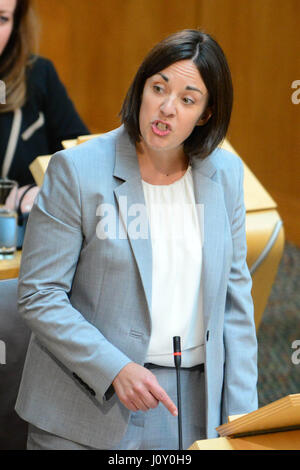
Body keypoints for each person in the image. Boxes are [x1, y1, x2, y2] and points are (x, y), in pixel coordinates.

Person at [15, 29, 258, 450]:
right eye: (158, 88)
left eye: (187, 98)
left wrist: (242, 421)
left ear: (205, 113)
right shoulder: (76, 170)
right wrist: (114, 368)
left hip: (189, 408)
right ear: (140, 87)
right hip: (86, 405)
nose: (166, 108)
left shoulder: (226, 177)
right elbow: (40, 293)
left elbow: (235, 307)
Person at [0, 0, 89, 235]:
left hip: (18, 247)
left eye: (2, 19)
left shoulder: (39, 75)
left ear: (17, 24)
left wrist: (40, 190)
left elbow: (86, 161)